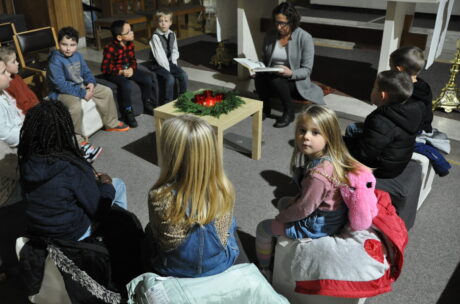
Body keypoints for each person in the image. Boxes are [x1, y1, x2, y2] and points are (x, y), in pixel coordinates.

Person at [255, 106, 366, 279]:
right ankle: (280, 239)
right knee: (284, 201)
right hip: (328, 215)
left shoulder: (318, 176)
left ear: (329, 136)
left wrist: (281, 218)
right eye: (302, 130)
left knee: (263, 228)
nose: (306, 136)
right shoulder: (330, 159)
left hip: (316, 226)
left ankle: (264, 268)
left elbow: (303, 210)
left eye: (315, 133)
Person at [18, 100, 128, 241]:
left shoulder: (26, 161)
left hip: (40, 233)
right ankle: (117, 234)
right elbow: (98, 211)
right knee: (117, 185)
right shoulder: (71, 167)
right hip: (73, 234)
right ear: (65, 130)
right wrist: (106, 184)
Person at [147, 115, 239, 278]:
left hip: (175, 270)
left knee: (149, 230)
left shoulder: (159, 196)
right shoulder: (224, 189)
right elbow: (225, 233)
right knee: (231, 224)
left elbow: (159, 236)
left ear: (170, 155)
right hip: (219, 264)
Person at [47, 26, 129, 157]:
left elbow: (86, 72)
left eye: (72, 45)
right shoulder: (55, 60)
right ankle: (78, 141)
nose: (68, 48)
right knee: (74, 106)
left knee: (106, 91)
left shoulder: (78, 55)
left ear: (77, 44)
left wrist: (91, 82)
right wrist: (82, 93)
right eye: (64, 44)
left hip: (80, 86)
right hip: (62, 92)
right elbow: (60, 84)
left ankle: (111, 123)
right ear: (59, 44)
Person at [255, 2, 324, 128]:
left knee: (276, 79)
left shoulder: (304, 37)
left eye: (283, 23)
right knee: (259, 77)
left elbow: (307, 70)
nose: (279, 27)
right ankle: (265, 108)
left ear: (292, 22)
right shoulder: (270, 35)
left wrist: (290, 73)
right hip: (272, 75)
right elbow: (263, 59)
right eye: (276, 22)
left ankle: (289, 112)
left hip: (295, 82)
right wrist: (256, 67)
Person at [344, 70, 421, 179]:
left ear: (382, 95)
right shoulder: (410, 109)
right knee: (352, 130)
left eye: (374, 87)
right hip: (396, 163)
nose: (371, 90)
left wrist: (342, 145)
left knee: (333, 147)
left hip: (382, 170)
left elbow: (365, 155)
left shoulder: (380, 121)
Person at [101, 20, 155, 127]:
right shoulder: (110, 48)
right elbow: (105, 67)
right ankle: (128, 111)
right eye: (128, 31)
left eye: (131, 29)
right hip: (114, 73)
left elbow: (133, 60)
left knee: (147, 78)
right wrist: (120, 71)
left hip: (127, 70)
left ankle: (146, 103)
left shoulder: (130, 44)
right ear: (119, 37)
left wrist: (131, 68)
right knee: (126, 85)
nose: (132, 32)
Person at [389, 46, 433, 133]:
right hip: (425, 129)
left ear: (399, 69)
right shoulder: (424, 86)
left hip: (412, 133)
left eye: (391, 67)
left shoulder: (404, 91)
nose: (390, 70)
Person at [148, 9, 188, 103]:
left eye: (166, 21)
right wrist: (169, 70)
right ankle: (168, 102)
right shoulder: (155, 37)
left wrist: (174, 65)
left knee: (184, 75)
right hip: (157, 64)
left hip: (169, 62)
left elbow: (175, 51)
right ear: (157, 23)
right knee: (170, 78)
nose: (163, 24)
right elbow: (160, 56)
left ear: (170, 22)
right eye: (160, 21)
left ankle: (183, 98)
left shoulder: (172, 34)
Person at [0, 46, 39, 114]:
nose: (17, 63)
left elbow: (30, 95)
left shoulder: (17, 77)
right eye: (13, 62)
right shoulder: (6, 86)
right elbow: (18, 109)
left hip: (35, 109)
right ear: (3, 66)